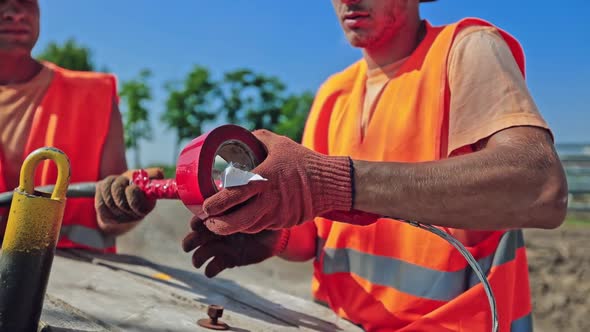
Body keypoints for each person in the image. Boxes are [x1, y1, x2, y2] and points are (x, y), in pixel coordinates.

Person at [182, 0, 568, 331]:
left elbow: (540, 188)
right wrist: (270, 232)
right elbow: (317, 234)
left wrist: (335, 181)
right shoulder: (335, 92)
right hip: (340, 322)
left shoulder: (466, 49)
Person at [0, 0, 160, 253]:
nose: (16, 14)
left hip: (78, 280)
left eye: (25, 2)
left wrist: (123, 203)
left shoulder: (93, 97)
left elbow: (110, 208)